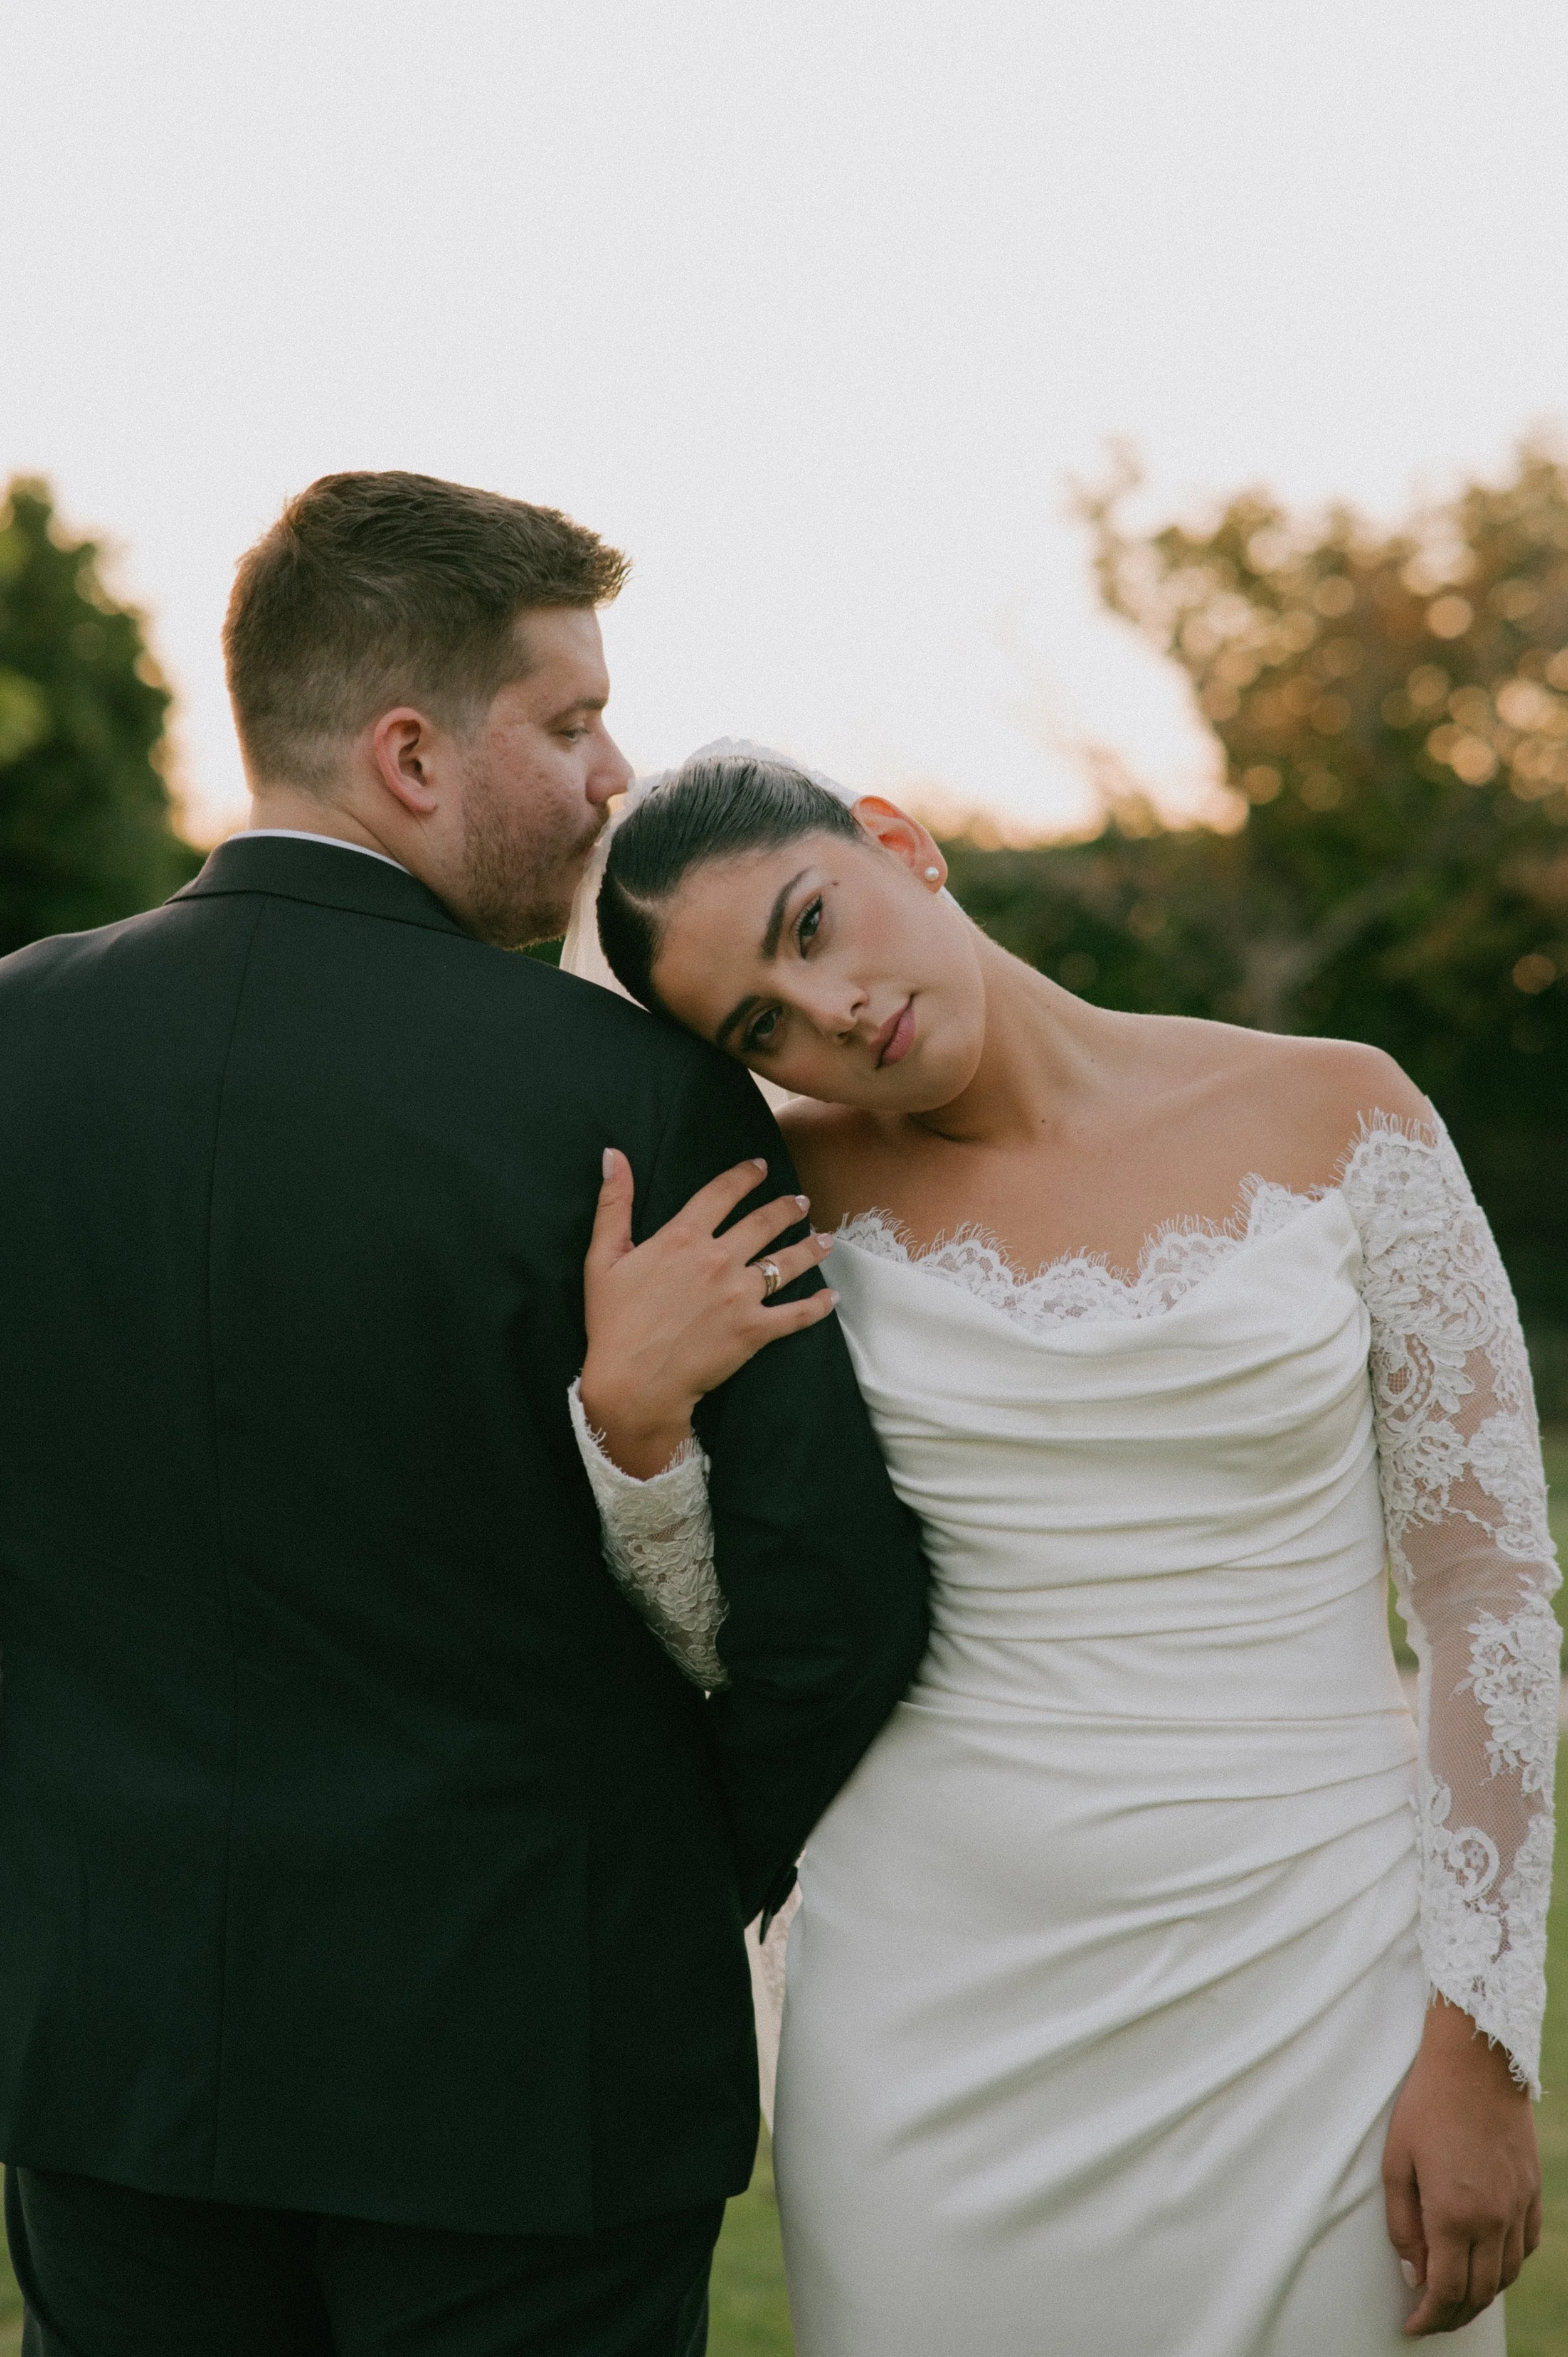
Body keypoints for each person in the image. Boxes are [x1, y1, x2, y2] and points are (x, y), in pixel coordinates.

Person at [0, 487, 929, 2355]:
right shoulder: (628, 1099)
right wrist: (652, 1883)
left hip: (110, 2069)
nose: (616, 775)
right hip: (535, 2078)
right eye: (569, 722)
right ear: (409, 753)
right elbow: (832, 1615)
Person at [566, 745, 1560, 2354]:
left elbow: (1486, 1595)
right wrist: (634, 1430)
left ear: (899, 842)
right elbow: (745, 1642)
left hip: (1319, 1969)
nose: (827, 1013)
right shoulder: (778, 1207)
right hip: (935, 2007)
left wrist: (1481, 2043)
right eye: (758, 1022)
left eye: (813, 924)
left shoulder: (1342, 1109)